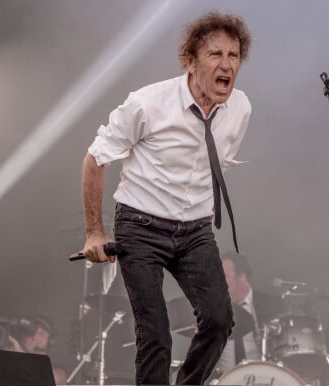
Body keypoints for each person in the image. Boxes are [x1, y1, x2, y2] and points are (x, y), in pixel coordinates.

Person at [80, 11, 253, 385]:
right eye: (215, 55)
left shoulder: (240, 108)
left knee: (221, 320)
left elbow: (217, 159)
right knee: (155, 334)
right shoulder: (147, 103)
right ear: (189, 60)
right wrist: (94, 232)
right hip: (140, 227)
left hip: (195, 231)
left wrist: (198, 214)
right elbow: (95, 158)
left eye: (234, 55)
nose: (226, 65)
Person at [216, 252, 284, 374]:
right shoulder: (213, 311)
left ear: (241, 278)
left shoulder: (271, 306)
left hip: (263, 380)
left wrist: (267, 346)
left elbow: (284, 353)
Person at [5, 317, 68, 385]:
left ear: (51, 342)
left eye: (42, 334)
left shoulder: (57, 366)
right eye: (31, 332)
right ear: (23, 337)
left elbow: (56, 380)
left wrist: (22, 356)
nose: (35, 337)